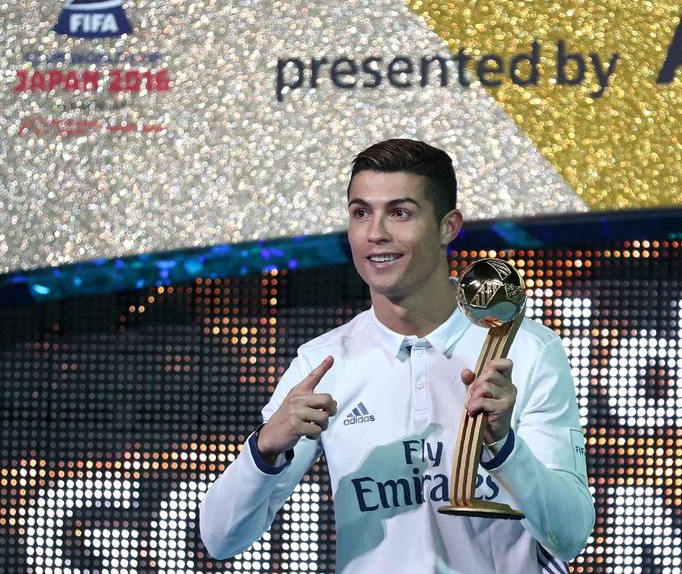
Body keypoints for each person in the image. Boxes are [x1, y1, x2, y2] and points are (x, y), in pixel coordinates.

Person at [199, 139, 594, 573]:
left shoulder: (525, 350)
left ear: (448, 226)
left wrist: (504, 447)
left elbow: (570, 535)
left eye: (400, 213)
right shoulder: (324, 364)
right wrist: (267, 446)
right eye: (361, 212)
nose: (375, 234)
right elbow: (219, 538)